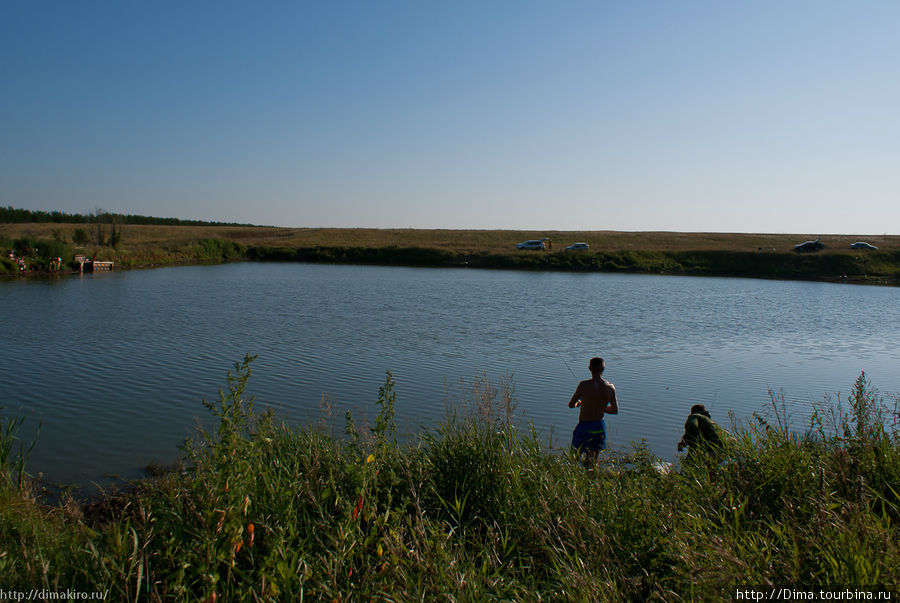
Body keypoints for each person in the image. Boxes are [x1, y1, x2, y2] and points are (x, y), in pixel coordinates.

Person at [568, 357, 618, 467]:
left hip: (584, 426)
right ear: (603, 369)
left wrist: (579, 403)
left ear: (589, 368)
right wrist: (601, 408)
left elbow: (571, 405)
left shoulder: (583, 385)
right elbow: (614, 410)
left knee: (574, 458)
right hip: (599, 427)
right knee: (593, 462)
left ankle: (575, 481)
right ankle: (592, 481)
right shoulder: (610, 387)